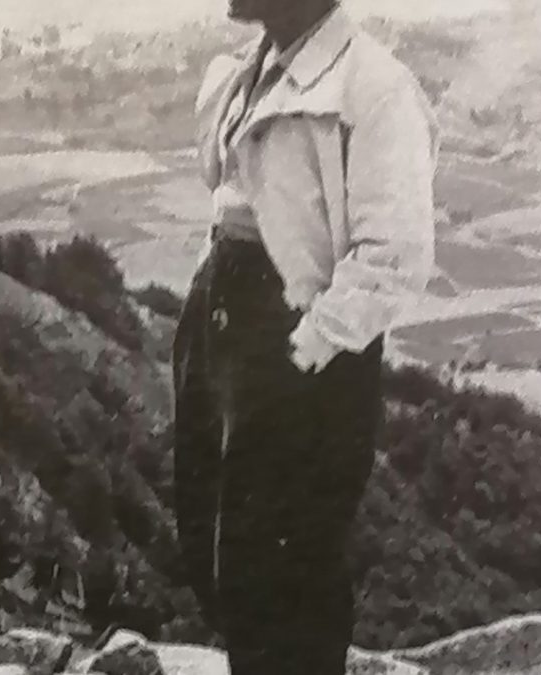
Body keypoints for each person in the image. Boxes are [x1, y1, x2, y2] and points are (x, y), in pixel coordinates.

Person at [171, 1, 438, 673]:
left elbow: (394, 255)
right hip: (222, 321)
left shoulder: (374, 86)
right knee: (215, 544)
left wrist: (306, 347)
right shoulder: (248, 73)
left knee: (288, 569)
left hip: (303, 340)